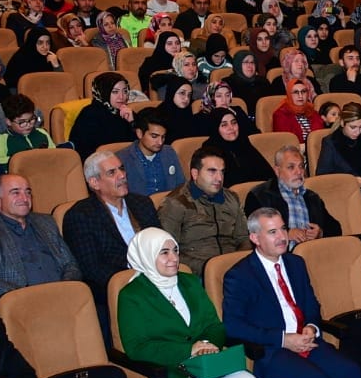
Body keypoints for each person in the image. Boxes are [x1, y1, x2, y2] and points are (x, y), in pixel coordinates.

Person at [118, 228, 267, 378]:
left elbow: (214, 325)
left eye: (176, 251)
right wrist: (189, 349)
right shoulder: (132, 296)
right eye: (164, 253)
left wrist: (207, 344)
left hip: (209, 362)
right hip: (174, 371)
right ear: (147, 256)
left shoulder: (188, 282)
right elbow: (137, 347)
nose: (174, 258)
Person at [222, 209, 361, 378]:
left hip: (307, 342)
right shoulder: (240, 275)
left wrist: (311, 327)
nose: (282, 237)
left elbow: (311, 305)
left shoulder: (295, 263)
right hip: (272, 351)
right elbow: (233, 326)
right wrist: (284, 339)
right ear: (255, 238)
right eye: (272, 232)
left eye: (283, 229)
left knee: (351, 371)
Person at [64, 148, 162, 330]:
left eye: (122, 169)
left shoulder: (142, 204)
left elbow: (161, 245)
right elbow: (92, 269)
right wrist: (136, 281)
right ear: (94, 182)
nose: (122, 175)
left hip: (156, 278)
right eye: (112, 172)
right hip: (117, 288)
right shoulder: (80, 215)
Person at [0, 174, 83, 300]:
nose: (25, 198)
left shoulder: (46, 222)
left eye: (28, 192)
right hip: (21, 305)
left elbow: (70, 264)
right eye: (15, 193)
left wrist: (66, 288)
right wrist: (28, 298)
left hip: (65, 298)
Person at [158, 143, 249, 272]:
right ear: (195, 174)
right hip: (197, 272)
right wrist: (210, 267)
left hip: (234, 267)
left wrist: (238, 263)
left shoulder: (231, 198)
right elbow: (166, 250)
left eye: (222, 172)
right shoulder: (176, 203)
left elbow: (243, 239)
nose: (219, 178)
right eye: (212, 171)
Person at [243, 143, 342, 247]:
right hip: (280, 258)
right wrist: (285, 234)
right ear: (277, 171)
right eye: (291, 167)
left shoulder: (312, 197)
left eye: (301, 166)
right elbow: (254, 234)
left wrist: (320, 233)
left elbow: (336, 229)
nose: (299, 172)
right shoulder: (259, 195)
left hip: (313, 255)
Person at [69, 72, 138, 159]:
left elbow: (143, 145)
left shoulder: (128, 113)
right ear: (103, 92)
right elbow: (86, 153)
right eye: (115, 92)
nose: (121, 97)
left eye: (125, 91)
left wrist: (133, 122)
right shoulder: (89, 115)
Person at [118, 110, 184, 196]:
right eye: (154, 136)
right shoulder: (122, 158)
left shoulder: (169, 152)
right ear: (139, 133)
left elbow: (181, 185)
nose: (160, 142)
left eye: (163, 137)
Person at [315, 104, 361, 179]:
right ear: (342, 123)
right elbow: (322, 176)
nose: (357, 132)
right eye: (353, 127)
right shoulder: (330, 142)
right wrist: (350, 180)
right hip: (344, 189)